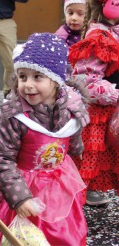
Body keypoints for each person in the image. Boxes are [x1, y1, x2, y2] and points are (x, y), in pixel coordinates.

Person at [0, 32, 90, 246]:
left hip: (58, 183)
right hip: (21, 184)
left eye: (37, 76)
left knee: (62, 232)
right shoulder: (14, 115)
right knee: (22, 237)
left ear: (56, 80)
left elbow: (73, 143)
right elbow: (0, 157)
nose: (28, 85)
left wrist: (76, 149)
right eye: (22, 77)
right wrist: (19, 198)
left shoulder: (71, 109)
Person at [68, 0, 119, 206]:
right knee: (94, 155)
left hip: (113, 108)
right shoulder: (99, 37)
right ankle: (84, 189)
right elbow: (87, 82)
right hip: (102, 110)